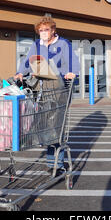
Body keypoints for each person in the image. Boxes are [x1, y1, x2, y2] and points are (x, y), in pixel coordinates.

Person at [14, 16, 80, 170]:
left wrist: (72, 72)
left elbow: (72, 61)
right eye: (40, 30)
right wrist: (19, 73)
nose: (43, 33)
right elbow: (27, 61)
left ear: (53, 30)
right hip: (43, 91)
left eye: (46, 30)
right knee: (44, 125)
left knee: (56, 126)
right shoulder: (37, 45)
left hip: (59, 88)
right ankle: (52, 160)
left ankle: (56, 163)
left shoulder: (63, 44)